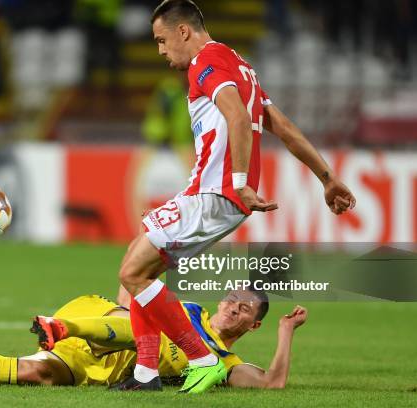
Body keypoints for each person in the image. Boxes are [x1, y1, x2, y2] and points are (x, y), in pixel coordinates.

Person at [115, 0, 356, 393]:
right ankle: (145, 374)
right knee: (142, 267)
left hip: (214, 191)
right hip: (220, 195)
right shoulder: (240, 65)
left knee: (130, 274)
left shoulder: (206, 64)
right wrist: (327, 178)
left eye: (161, 40)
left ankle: (201, 357)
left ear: (183, 32)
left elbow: (238, 118)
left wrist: (241, 180)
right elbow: (284, 127)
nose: (160, 51)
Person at [0, 290, 308, 390]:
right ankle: (63, 328)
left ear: (253, 326)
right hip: (96, 319)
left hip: (100, 365)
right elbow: (130, 292)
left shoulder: (224, 360)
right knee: (153, 327)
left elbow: (272, 384)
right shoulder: (186, 309)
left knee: (35, 374)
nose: (233, 307)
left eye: (244, 309)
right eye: (232, 299)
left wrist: (286, 332)